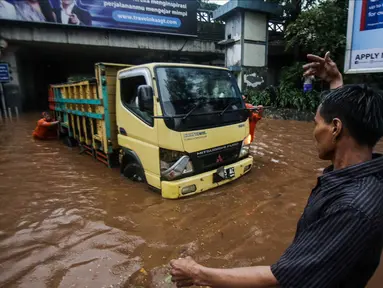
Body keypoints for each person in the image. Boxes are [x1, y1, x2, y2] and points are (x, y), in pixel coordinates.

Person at [170, 51, 383, 288]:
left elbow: (279, 279)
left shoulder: (351, 210)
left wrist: (197, 273)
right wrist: (335, 82)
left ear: (335, 128)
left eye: (316, 124)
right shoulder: (364, 170)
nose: (313, 133)